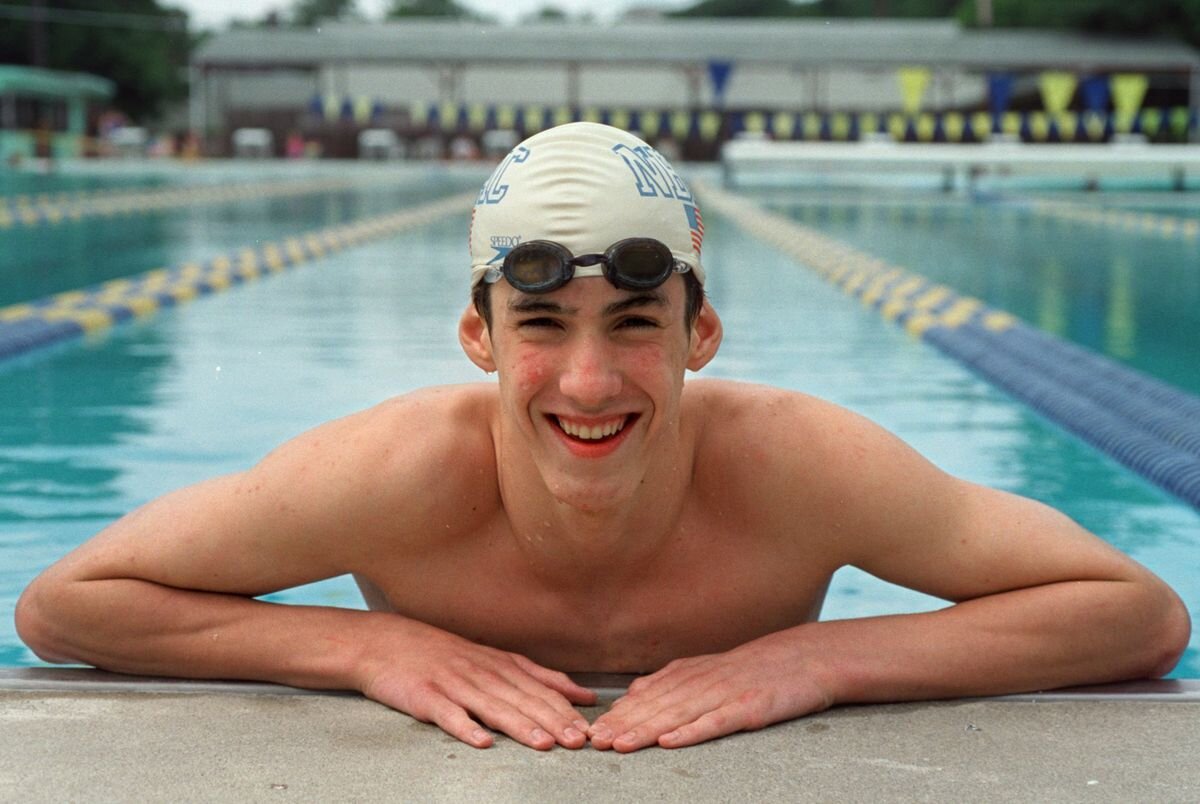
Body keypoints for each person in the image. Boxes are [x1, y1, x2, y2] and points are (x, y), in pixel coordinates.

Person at [16, 123, 1190, 753]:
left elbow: (1137, 614)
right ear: (477, 335)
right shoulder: (396, 475)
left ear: (702, 331)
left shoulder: (798, 465)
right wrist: (365, 649)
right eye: (540, 325)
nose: (588, 382)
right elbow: (69, 606)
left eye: (634, 323)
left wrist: (823, 661)